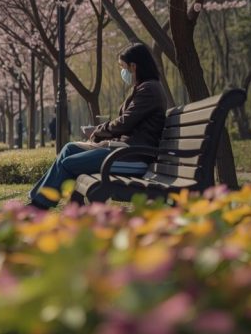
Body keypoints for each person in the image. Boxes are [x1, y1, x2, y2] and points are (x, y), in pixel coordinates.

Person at [28, 42, 167, 209]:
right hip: (124, 150)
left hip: (134, 157)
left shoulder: (149, 89)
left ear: (134, 66)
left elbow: (125, 123)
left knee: (69, 164)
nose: (123, 72)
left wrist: (98, 131)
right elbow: (127, 124)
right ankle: (39, 200)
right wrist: (102, 136)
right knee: (69, 149)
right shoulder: (143, 87)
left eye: (123, 67)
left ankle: (39, 207)